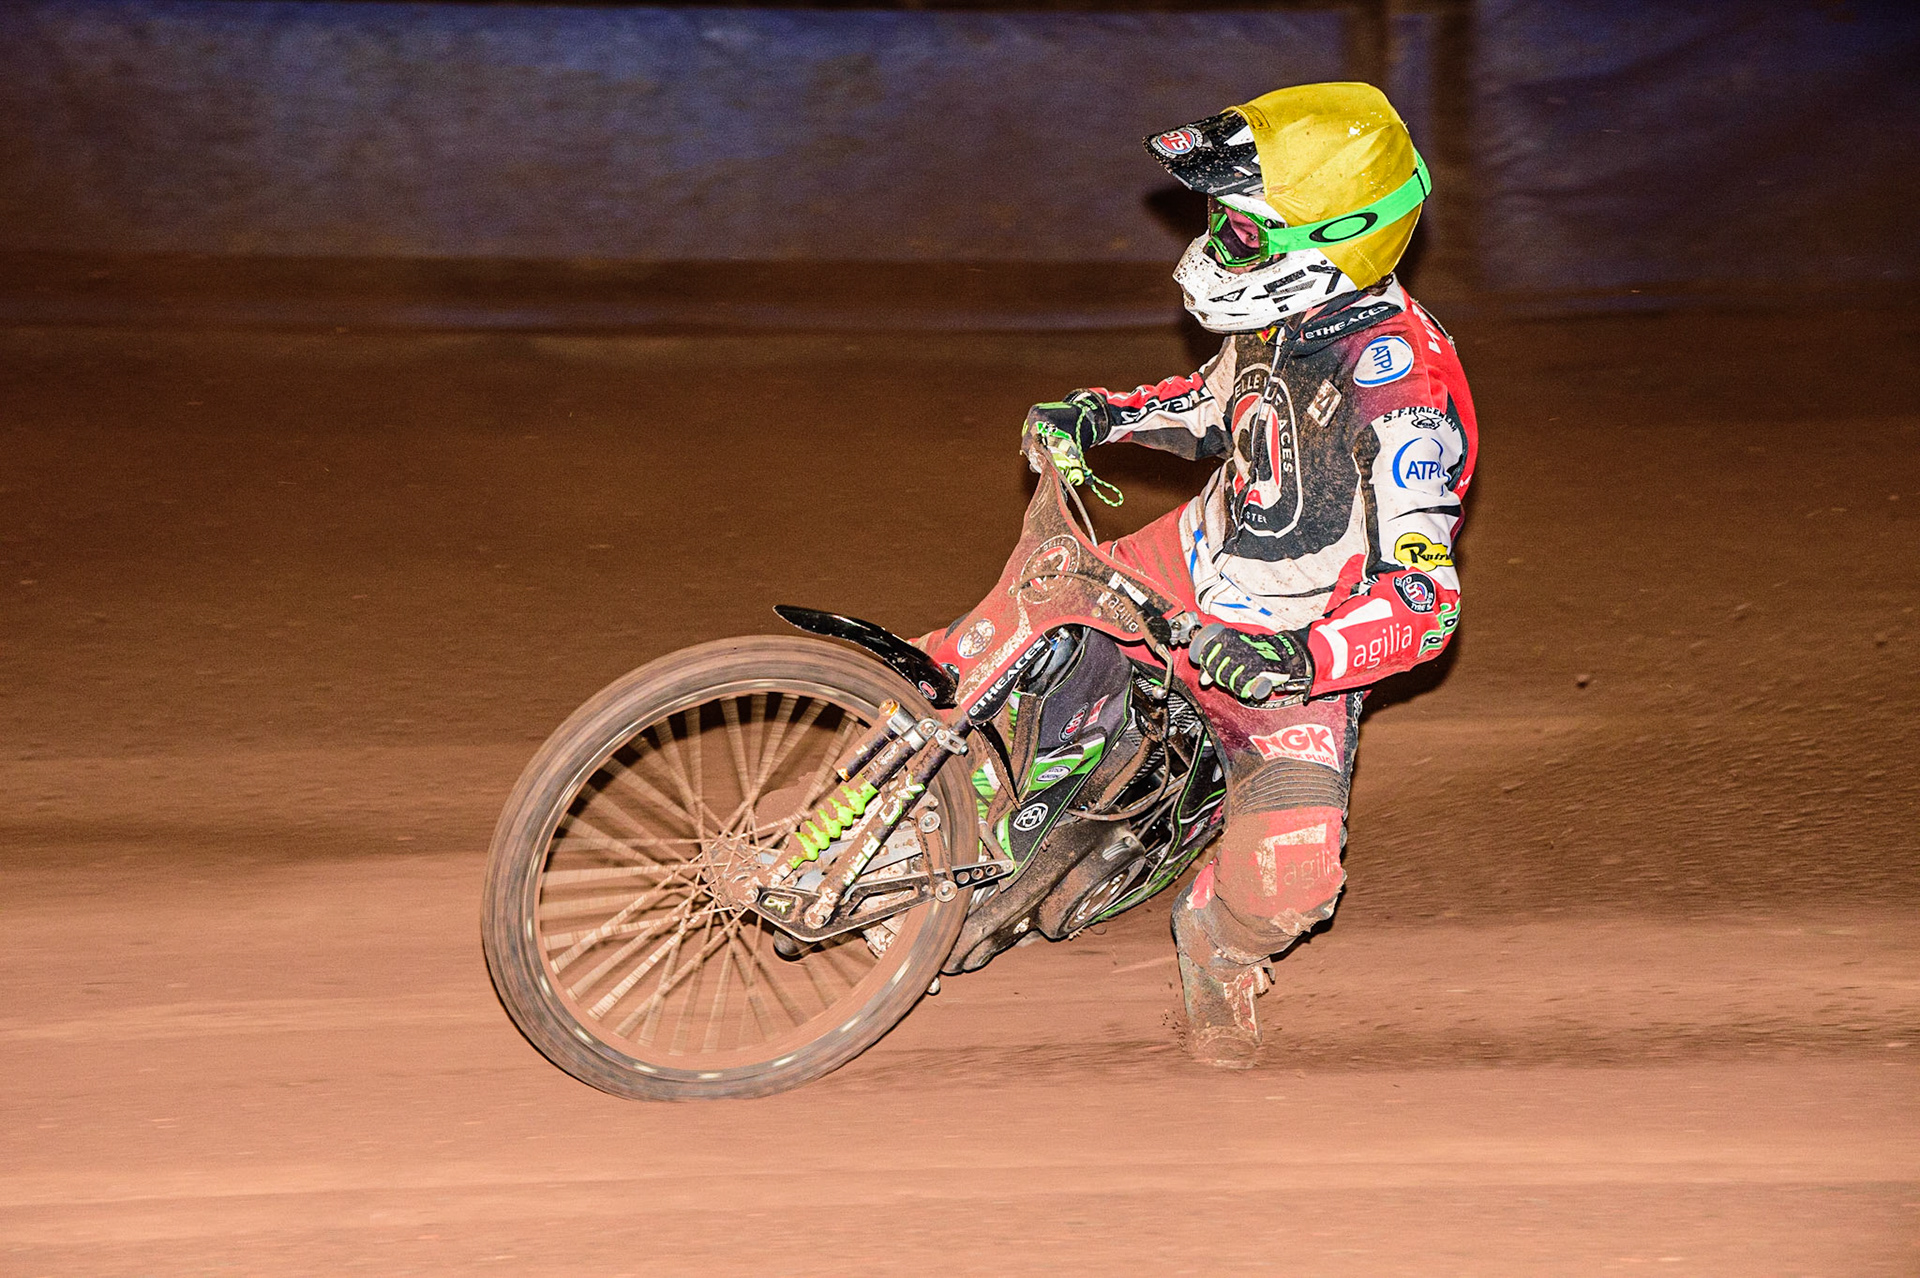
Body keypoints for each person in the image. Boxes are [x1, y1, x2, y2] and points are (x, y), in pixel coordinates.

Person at [1025, 83, 1479, 1067]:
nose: (1214, 248)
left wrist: (1296, 659)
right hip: (1179, 569)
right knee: (1001, 652)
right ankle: (870, 821)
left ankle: (1217, 948)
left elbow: (1428, 604)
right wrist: (1098, 414)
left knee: (1295, 879)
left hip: (1287, 646)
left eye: (1240, 231)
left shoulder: (1407, 402)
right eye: (1220, 225)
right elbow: (1211, 406)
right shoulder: (1290, 313)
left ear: (1334, 240)